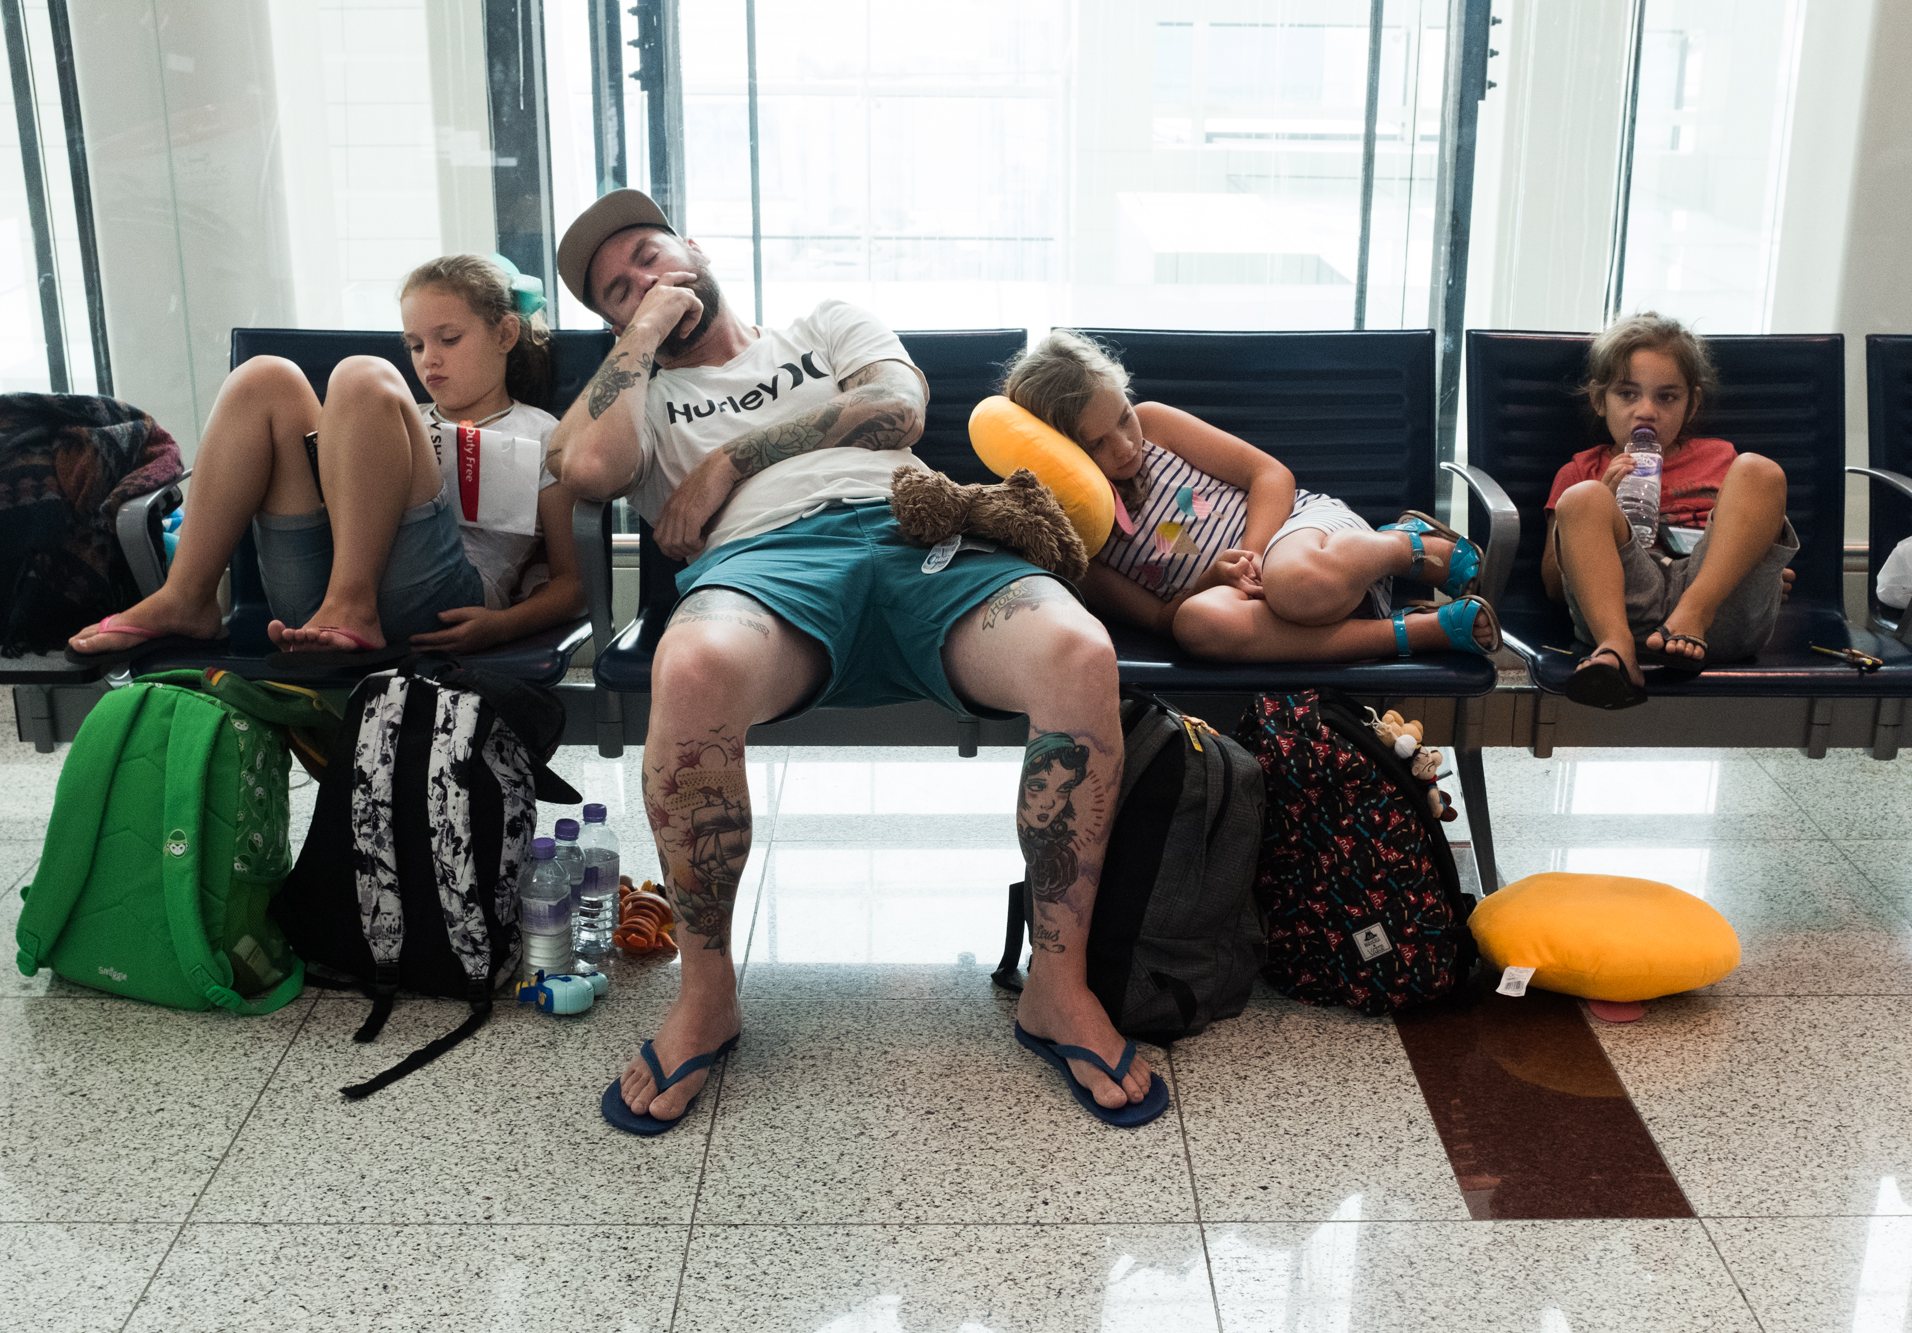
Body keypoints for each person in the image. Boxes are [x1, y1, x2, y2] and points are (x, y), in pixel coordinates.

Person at [549, 189, 1164, 1134]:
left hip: (918, 533)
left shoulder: (823, 323)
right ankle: (706, 996)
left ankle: (1058, 984)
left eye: (649, 253)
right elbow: (583, 470)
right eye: (617, 289)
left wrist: (728, 461)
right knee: (689, 673)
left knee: (1078, 653)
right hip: (763, 570)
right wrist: (641, 337)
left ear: (695, 245)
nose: (643, 280)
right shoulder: (638, 399)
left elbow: (899, 409)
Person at [66, 253, 582, 660]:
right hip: (313, 601)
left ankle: (354, 604)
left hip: (442, 606)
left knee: (361, 376)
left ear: (506, 334)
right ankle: (187, 596)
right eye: (416, 344)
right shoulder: (394, 415)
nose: (430, 360)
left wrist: (502, 625)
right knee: (263, 377)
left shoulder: (543, 432)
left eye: (448, 339)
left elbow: (573, 583)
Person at [1003, 332, 1500, 662]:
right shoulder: (1078, 546)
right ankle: (1423, 631)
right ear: (1057, 453)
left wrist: (1254, 553)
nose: (1126, 444)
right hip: (1262, 607)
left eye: (1122, 418)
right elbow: (1160, 618)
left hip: (1299, 535)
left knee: (1296, 580)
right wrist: (1217, 577)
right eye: (1096, 443)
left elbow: (1270, 475)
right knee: (1198, 625)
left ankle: (1406, 546)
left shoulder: (1155, 424)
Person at [1541, 311, 1797, 710]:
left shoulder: (1719, 457)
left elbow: (1748, 525)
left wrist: (1757, 567)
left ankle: (1691, 613)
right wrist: (1600, 505)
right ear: (1598, 400)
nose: (1646, 410)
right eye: (1628, 394)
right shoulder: (1581, 470)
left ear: (1691, 404)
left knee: (1759, 471)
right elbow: (1556, 589)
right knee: (1582, 497)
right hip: (1622, 608)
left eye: (1667, 396)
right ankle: (1618, 652)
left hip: (1714, 612)